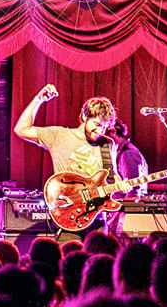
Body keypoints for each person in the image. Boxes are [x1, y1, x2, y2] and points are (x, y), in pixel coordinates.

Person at [13, 84, 119, 241]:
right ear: (84, 117)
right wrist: (38, 99)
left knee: (99, 263)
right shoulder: (59, 136)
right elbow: (21, 129)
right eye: (96, 125)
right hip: (69, 216)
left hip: (97, 220)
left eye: (104, 128)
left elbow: (112, 176)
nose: (99, 131)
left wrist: (118, 184)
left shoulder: (108, 144)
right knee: (69, 262)